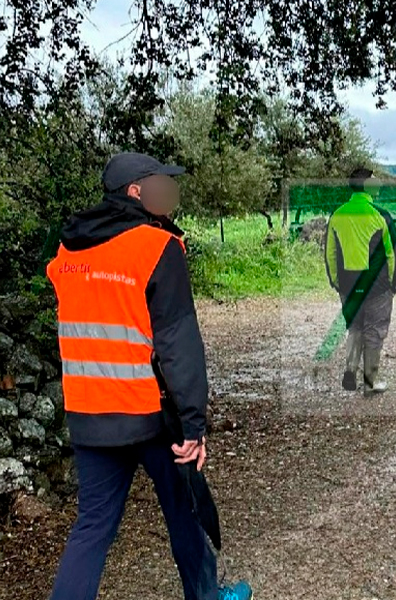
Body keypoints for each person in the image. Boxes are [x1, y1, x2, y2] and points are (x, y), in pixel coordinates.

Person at [45, 152, 251, 600]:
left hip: (87, 412)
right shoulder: (158, 247)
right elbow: (179, 343)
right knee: (184, 510)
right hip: (149, 413)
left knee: (92, 528)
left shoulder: (67, 249)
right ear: (136, 192)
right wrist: (194, 424)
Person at [325, 167, 396, 395]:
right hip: (377, 287)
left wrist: (337, 282)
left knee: (355, 327)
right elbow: (392, 255)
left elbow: (330, 254)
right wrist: (393, 282)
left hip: (348, 285)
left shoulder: (337, 215)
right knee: (375, 331)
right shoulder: (380, 214)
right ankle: (370, 381)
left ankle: (350, 369)